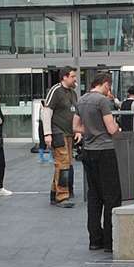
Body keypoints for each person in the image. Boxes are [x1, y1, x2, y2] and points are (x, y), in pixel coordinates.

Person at [76, 71, 122, 251]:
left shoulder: (81, 100)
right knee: (112, 195)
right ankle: (110, 242)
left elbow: (75, 126)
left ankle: (95, 239)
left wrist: (90, 131)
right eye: (108, 86)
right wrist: (117, 128)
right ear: (105, 84)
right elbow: (111, 128)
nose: (108, 90)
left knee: (94, 195)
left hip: (89, 151)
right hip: (105, 151)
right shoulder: (102, 101)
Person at [41, 67, 80, 207]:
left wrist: (78, 131)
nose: (75, 79)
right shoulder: (55, 90)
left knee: (64, 165)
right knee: (63, 164)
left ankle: (54, 194)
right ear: (64, 77)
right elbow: (46, 111)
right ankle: (61, 197)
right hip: (58, 132)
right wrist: (47, 134)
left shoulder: (73, 93)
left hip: (69, 134)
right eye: (73, 76)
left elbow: (76, 113)